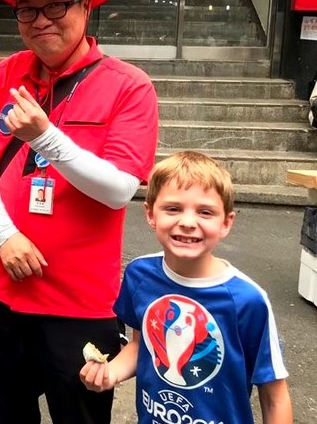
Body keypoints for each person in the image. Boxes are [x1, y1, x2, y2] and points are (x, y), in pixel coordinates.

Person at [0, 0, 160, 423]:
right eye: (28, 9)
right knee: (5, 414)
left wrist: (46, 138)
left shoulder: (129, 86)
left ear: (86, 5)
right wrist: (2, 234)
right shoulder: (10, 72)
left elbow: (118, 189)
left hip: (78, 304)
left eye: (56, 5)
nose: (40, 20)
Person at [80, 151, 293, 423]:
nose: (188, 222)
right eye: (173, 208)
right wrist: (110, 373)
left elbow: (274, 396)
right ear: (150, 214)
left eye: (205, 212)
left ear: (226, 223)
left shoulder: (247, 300)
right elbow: (141, 345)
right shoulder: (140, 275)